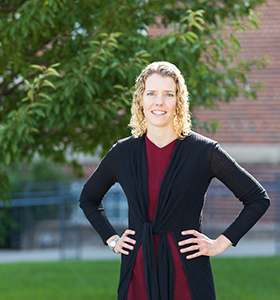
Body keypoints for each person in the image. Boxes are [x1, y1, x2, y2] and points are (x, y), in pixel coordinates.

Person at [79, 61, 270, 300]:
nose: (159, 102)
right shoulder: (123, 153)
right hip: (137, 272)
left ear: (179, 101)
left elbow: (257, 199)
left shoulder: (203, 151)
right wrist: (112, 239)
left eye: (168, 94)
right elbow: (88, 198)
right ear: (140, 100)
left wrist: (221, 243)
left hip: (187, 274)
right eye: (151, 93)